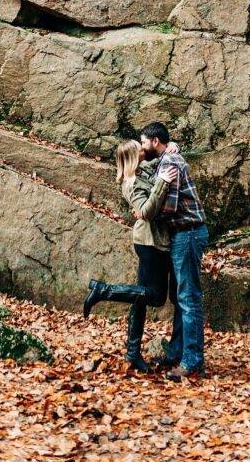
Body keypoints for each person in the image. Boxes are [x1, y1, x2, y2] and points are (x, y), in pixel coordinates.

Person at [82, 139, 176, 373]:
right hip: (150, 243)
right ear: (134, 156)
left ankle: (132, 353)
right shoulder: (131, 183)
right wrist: (163, 184)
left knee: (140, 299)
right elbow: (148, 211)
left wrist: (172, 146)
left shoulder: (141, 171)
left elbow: (160, 161)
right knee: (155, 297)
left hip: (150, 241)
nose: (145, 149)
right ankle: (104, 291)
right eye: (140, 148)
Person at [139, 121, 208, 382]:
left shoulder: (170, 163)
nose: (143, 148)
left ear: (156, 142)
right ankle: (180, 351)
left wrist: (146, 212)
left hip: (188, 233)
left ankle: (193, 362)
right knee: (182, 299)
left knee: (189, 299)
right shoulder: (166, 160)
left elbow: (167, 208)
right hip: (184, 234)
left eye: (144, 143)